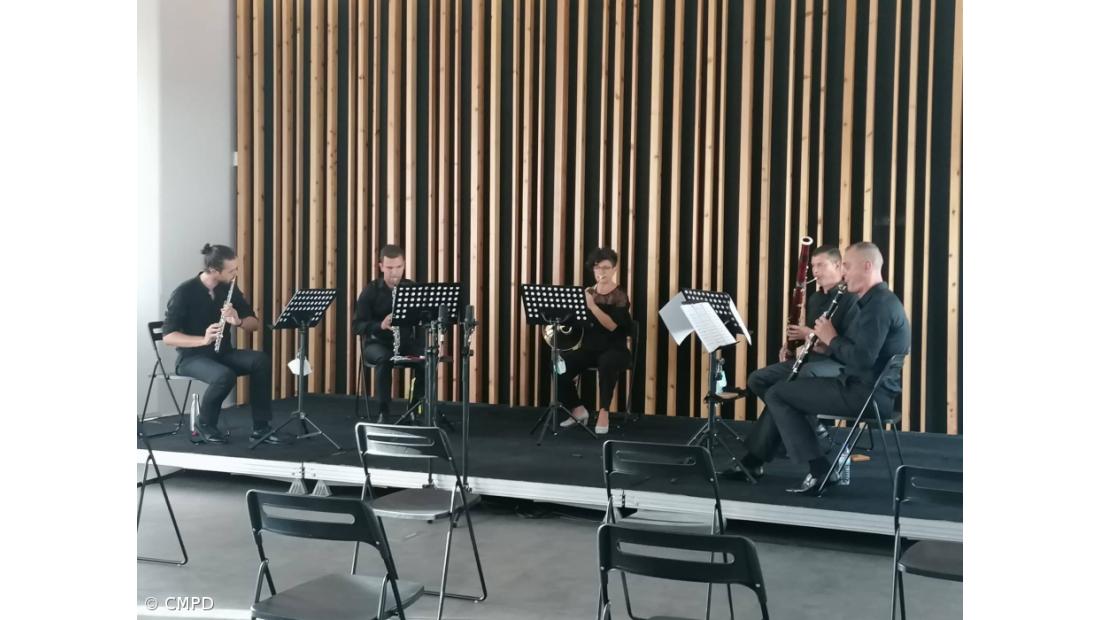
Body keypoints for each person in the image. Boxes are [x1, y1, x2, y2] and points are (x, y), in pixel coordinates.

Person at [763, 242, 911, 494]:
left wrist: (831, 337)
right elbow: (858, 350)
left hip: (865, 395)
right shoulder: (877, 302)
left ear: (867, 266)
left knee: (778, 393)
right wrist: (827, 347)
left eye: (847, 266)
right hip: (866, 389)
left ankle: (821, 470)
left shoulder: (878, 307)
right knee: (788, 390)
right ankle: (812, 448)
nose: (843, 273)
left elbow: (861, 359)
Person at [726, 245, 859, 479]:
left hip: (839, 364)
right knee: (759, 379)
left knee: (789, 388)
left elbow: (847, 344)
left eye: (820, 265)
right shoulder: (817, 298)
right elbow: (811, 340)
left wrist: (809, 334)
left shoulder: (850, 299)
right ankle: (817, 433)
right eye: (812, 266)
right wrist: (793, 346)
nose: (814, 271)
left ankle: (755, 460)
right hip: (813, 360)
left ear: (838, 266)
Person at [162, 244, 282, 445]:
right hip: (192, 358)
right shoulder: (184, 292)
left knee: (260, 360)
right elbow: (168, 337)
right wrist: (202, 339)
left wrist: (238, 321)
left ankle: (261, 427)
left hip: (223, 353)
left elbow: (255, 324)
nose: (236, 273)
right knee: (224, 375)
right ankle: (205, 425)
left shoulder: (228, 288)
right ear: (214, 271)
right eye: (232, 270)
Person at [556, 248, 633, 435]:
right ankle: (577, 409)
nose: (602, 272)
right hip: (590, 349)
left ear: (614, 269)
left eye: (606, 268)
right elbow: (578, 323)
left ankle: (604, 411)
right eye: (598, 268)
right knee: (560, 364)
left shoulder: (620, 295)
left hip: (615, 349)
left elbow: (612, 326)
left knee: (607, 363)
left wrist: (591, 306)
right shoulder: (588, 292)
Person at [352, 244, 425, 419]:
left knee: (427, 360)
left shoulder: (412, 288)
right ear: (381, 266)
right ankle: (383, 411)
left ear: (404, 264)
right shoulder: (371, 291)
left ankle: (414, 408)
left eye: (399, 267)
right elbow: (357, 325)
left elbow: (423, 321)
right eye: (390, 268)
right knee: (385, 359)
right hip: (376, 345)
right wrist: (380, 325)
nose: (395, 273)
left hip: (405, 344)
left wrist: (421, 347)